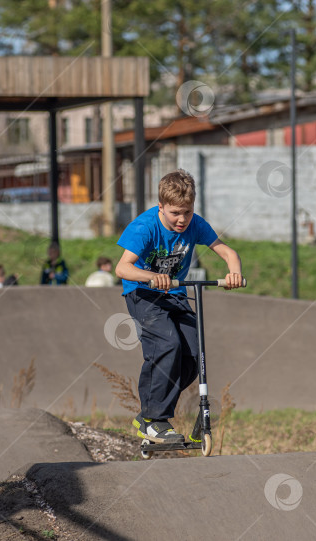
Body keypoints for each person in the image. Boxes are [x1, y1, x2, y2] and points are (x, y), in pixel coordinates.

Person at [115, 169, 243, 443]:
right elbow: (122, 268)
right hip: (142, 294)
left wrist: (233, 272)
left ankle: (151, 411)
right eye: (175, 213)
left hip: (175, 294)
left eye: (187, 211)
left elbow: (227, 252)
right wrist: (153, 277)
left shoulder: (195, 223)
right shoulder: (144, 227)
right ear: (161, 207)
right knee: (167, 345)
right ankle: (153, 419)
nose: (182, 219)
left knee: (195, 355)